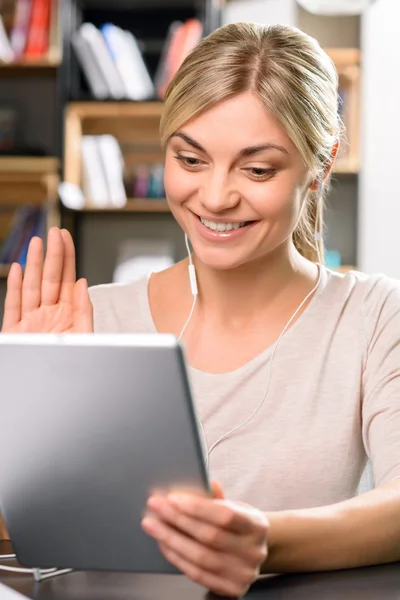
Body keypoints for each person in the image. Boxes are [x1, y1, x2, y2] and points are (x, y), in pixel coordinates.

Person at [2, 21, 400, 598]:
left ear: (320, 164)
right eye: (190, 160)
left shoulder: (372, 316)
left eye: (257, 168)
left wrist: (265, 540)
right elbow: (28, 538)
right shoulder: (87, 320)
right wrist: (24, 425)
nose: (215, 197)